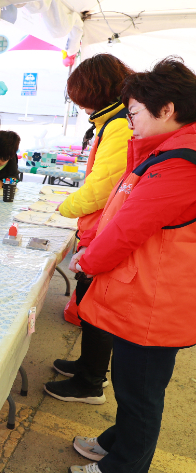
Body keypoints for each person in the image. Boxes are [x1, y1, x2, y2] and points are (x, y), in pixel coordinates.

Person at [66, 57, 196, 473]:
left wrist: (88, 260)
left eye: (134, 112)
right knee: (132, 385)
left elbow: (128, 229)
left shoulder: (179, 163)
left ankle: (123, 465)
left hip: (156, 303)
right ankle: (115, 442)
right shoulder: (170, 150)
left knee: (140, 393)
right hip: (149, 295)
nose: (130, 121)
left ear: (167, 110)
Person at [53, 54, 134, 327]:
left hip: (103, 223)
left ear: (95, 93)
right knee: (89, 292)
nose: (82, 108)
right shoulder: (115, 120)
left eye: (82, 99)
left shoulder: (119, 125)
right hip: (101, 221)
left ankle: (89, 369)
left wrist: (65, 207)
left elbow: (102, 187)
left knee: (93, 296)